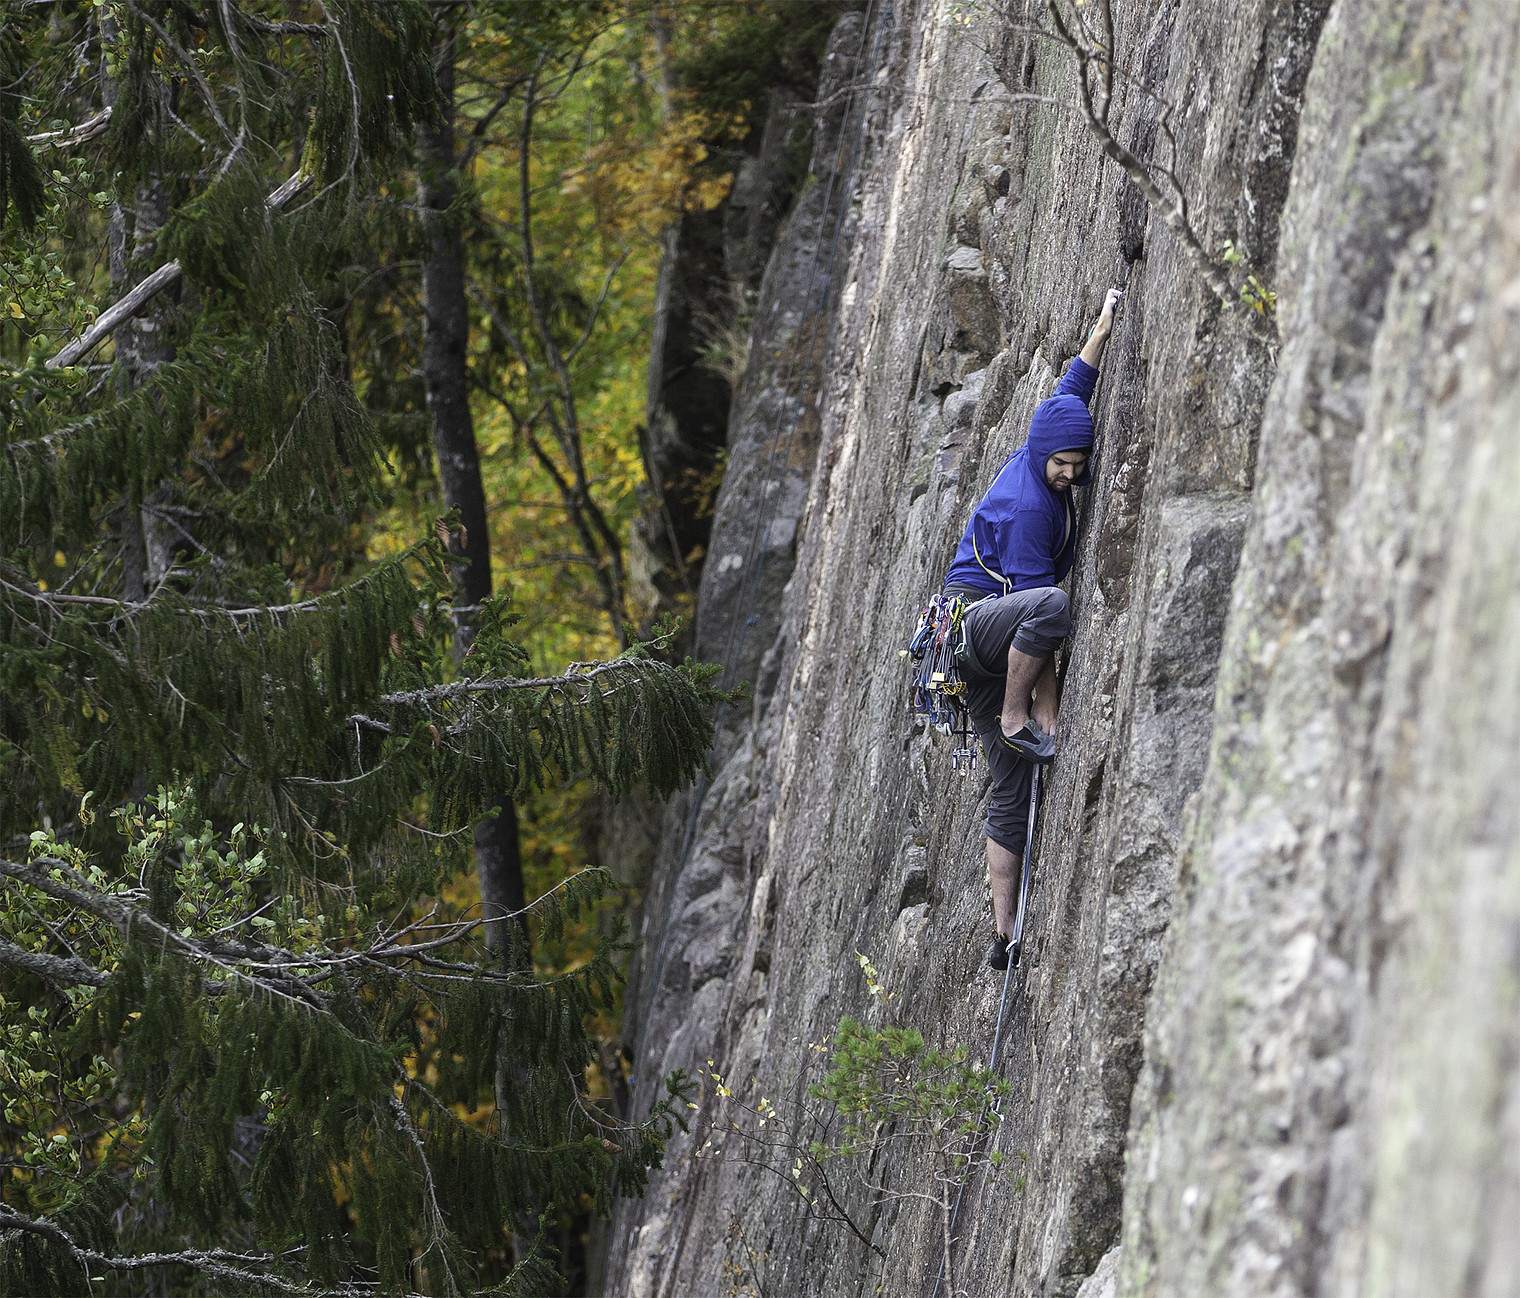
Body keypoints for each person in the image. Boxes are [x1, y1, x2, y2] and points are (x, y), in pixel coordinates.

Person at [941, 288, 1122, 970]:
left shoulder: (1049, 440)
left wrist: (1102, 325)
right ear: (1043, 458)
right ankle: (1013, 716)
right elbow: (1037, 612)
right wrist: (1044, 707)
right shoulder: (1027, 510)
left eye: (1078, 464)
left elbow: (1074, 388)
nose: (1071, 475)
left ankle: (1004, 934)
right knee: (1052, 606)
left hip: (987, 645)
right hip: (972, 628)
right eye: (1062, 466)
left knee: (1011, 788)